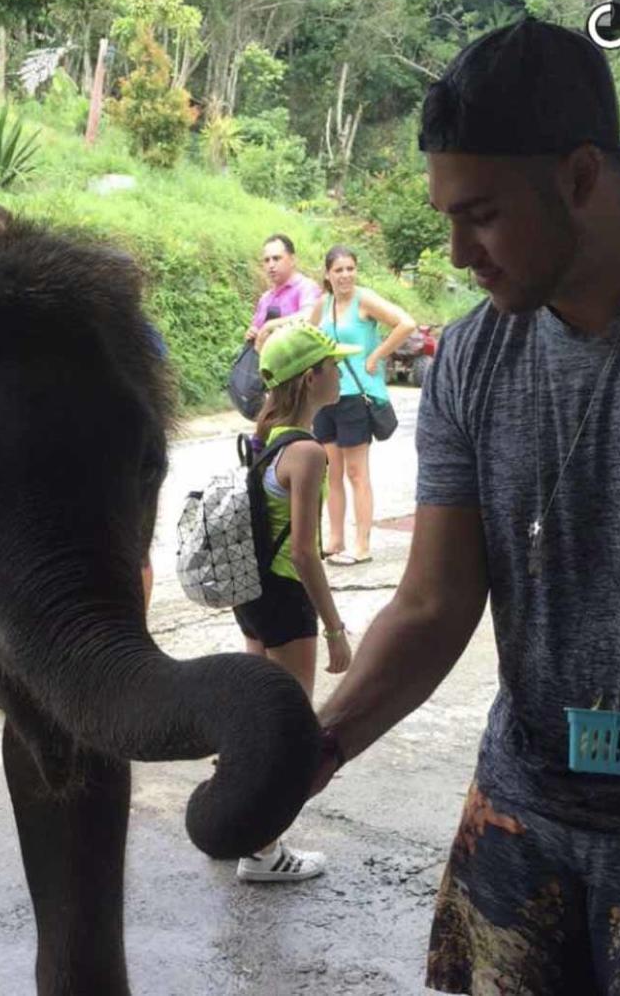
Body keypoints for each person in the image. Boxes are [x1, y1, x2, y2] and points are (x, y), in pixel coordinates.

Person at [310, 18, 620, 992]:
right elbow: (434, 605)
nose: (456, 251)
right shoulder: (476, 358)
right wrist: (312, 754)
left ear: (578, 175)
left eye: (479, 214)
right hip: (523, 817)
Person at [233, 322, 354, 882]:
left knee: (254, 719)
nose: (340, 370)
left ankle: (236, 826)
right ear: (312, 378)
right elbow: (306, 554)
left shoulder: (265, 436)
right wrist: (334, 627)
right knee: (285, 731)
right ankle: (263, 850)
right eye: (332, 363)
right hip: (286, 599)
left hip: (253, 597)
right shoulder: (306, 452)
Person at [309, 246, 417, 564]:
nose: (345, 275)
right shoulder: (323, 305)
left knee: (357, 472)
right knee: (332, 473)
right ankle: (336, 539)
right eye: (338, 270)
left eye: (350, 269)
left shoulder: (364, 300)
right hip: (326, 398)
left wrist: (376, 355)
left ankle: (362, 544)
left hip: (357, 395)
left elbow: (405, 323)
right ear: (327, 274)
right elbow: (309, 336)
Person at [245, 234, 320, 348]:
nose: (271, 265)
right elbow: (257, 328)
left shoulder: (306, 287)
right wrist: (252, 332)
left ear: (292, 260)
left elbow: (309, 317)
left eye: (276, 258)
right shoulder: (265, 298)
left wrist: (271, 325)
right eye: (266, 260)